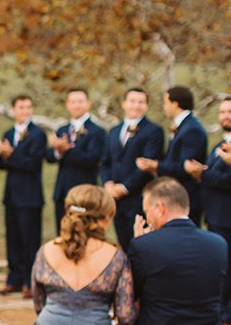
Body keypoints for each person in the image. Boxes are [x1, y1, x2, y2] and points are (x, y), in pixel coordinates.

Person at [127, 178, 231, 325]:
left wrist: (141, 244)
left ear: (159, 207)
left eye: (147, 211)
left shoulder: (143, 246)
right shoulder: (218, 243)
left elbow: (132, 296)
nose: (147, 218)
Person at [29, 185, 137, 325]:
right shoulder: (116, 257)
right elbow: (125, 318)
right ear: (104, 219)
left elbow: (39, 305)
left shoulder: (45, 251)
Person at [0, 94, 47, 297]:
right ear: (13, 110)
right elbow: (0, 165)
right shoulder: (9, 132)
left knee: (29, 240)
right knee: (13, 239)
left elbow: (32, 164)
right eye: (21, 107)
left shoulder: (38, 135)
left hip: (30, 196)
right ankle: (14, 278)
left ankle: (30, 281)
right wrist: (3, 155)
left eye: (28, 107)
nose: (25, 111)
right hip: (11, 195)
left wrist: (11, 155)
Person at [101, 87, 164, 250]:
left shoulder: (154, 131)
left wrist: (125, 187)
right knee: (122, 243)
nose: (136, 105)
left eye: (141, 102)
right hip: (115, 200)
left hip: (138, 199)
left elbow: (146, 166)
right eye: (132, 101)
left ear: (146, 106)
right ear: (124, 104)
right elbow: (105, 162)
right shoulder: (114, 131)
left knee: (141, 246)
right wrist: (108, 184)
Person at [137, 86, 207, 225]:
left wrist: (156, 165)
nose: (164, 107)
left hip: (186, 197)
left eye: (165, 103)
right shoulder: (183, 126)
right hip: (177, 196)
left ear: (175, 104)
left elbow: (186, 167)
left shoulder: (192, 129)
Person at [190, 98, 231, 325]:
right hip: (215, 215)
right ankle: (221, 310)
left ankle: (226, 314)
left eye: (230, 112)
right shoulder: (218, 144)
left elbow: (227, 181)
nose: (226, 116)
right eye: (223, 112)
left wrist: (201, 174)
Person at [47, 88, 106, 231]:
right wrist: (57, 150)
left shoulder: (97, 131)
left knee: (84, 232)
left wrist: (67, 149)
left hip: (85, 192)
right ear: (67, 105)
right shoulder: (62, 129)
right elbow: (49, 157)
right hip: (62, 192)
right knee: (62, 232)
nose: (76, 105)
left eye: (80, 101)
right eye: (73, 102)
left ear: (88, 104)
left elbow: (92, 159)